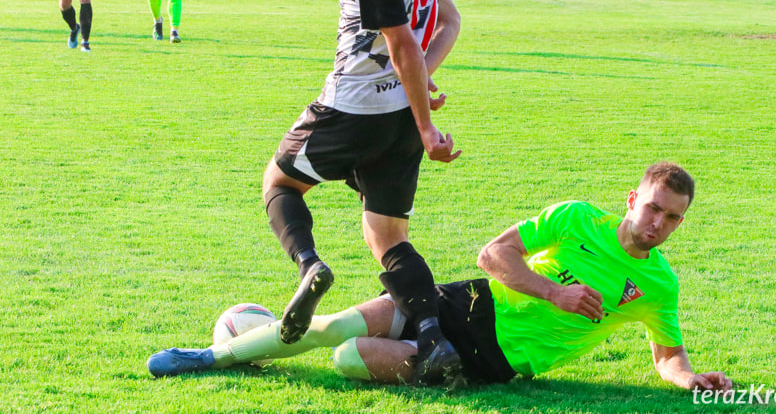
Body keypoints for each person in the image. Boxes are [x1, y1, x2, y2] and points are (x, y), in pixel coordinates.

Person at [148, 162, 733, 394]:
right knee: (332, 326)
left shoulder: (659, 286)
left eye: (672, 217)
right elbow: (492, 255)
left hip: (493, 359)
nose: (658, 223)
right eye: (653, 207)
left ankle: (248, 336)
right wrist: (555, 291)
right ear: (633, 199)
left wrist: (687, 380)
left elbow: (666, 354)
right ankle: (210, 357)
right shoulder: (579, 218)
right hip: (467, 301)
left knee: (348, 358)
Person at [261, 0, 461, 385]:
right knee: (387, 233)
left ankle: (310, 266)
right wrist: (419, 87)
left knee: (278, 182)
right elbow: (448, 21)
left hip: (352, 108)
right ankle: (432, 338)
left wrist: (428, 123)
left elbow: (401, 44)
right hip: (399, 114)